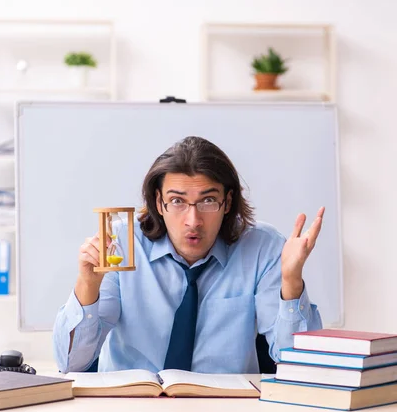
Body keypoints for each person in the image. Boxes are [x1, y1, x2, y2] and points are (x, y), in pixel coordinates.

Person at [53, 136, 324, 374]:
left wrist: (291, 282)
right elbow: (71, 363)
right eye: (178, 201)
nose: (193, 220)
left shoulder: (261, 247)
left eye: (207, 201)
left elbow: (298, 365)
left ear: (227, 203)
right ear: (159, 203)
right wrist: (87, 284)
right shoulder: (123, 244)